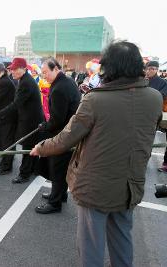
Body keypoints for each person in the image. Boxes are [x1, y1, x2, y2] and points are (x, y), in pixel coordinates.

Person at [30, 41, 162, 267]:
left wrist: (40, 147)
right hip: (130, 184)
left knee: (91, 244)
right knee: (122, 237)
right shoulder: (154, 98)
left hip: (96, 187)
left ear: (109, 66)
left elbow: (66, 138)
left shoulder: (95, 100)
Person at [34, 58, 81, 214]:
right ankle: (60, 195)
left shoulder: (60, 88)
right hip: (69, 132)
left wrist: (44, 126)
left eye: (46, 72)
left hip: (62, 134)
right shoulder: (67, 82)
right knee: (62, 167)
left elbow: (57, 119)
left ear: (56, 69)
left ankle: (55, 203)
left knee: (57, 168)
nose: (44, 76)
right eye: (42, 73)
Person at [0, 58, 44, 183]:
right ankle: (33, 169)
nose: (12, 72)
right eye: (11, 69)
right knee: (31, 147)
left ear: (24, 68)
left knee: (27, 147)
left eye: (15, 69)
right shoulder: (24, 79)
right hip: (32, 119)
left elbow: (16, 104)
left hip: (31, 120)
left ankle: (24, 174)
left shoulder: (26, 82)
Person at [145, 61, 167, 172]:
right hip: (141, 113)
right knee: (143, 137)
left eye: (153, 68)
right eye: (148, 68)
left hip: (155, 113)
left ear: (157, 70)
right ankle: (142, 158)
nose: (150, 71)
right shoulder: (142, 81)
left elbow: (163, 96)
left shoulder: (162, 82)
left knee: (149, 136)